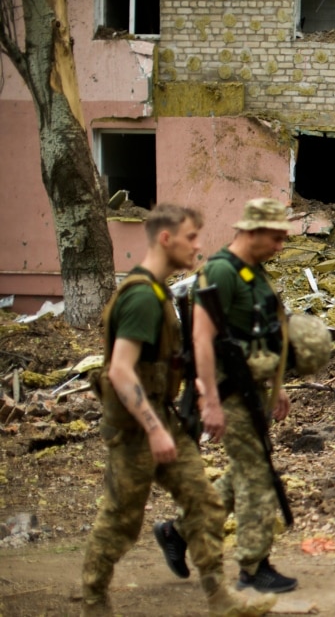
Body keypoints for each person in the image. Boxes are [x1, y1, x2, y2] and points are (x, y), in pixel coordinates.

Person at [81, 204, 275, 617]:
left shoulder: (160, 291)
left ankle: (219, 598)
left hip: (162, 416)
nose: (199, 245)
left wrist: (200, 386)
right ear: (166, 238)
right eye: (191, 237)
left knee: (205, 503)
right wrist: (153, 429)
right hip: (135, 429)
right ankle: (94, 602)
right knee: (120, 520)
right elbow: (119, 369)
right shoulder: (140, 297)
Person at [154, 198, 298, 593]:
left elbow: (264, 334)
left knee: (245, 471)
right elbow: (201, 338)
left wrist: (277, 386)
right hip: (226, 391)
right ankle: (253, 566)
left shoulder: (255, 273)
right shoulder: (219, 271)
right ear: (251, 231)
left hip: (252, 389)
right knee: (256, 476)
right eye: (275, 237)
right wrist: (210, 402)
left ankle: (178, 532)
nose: (279, 246)